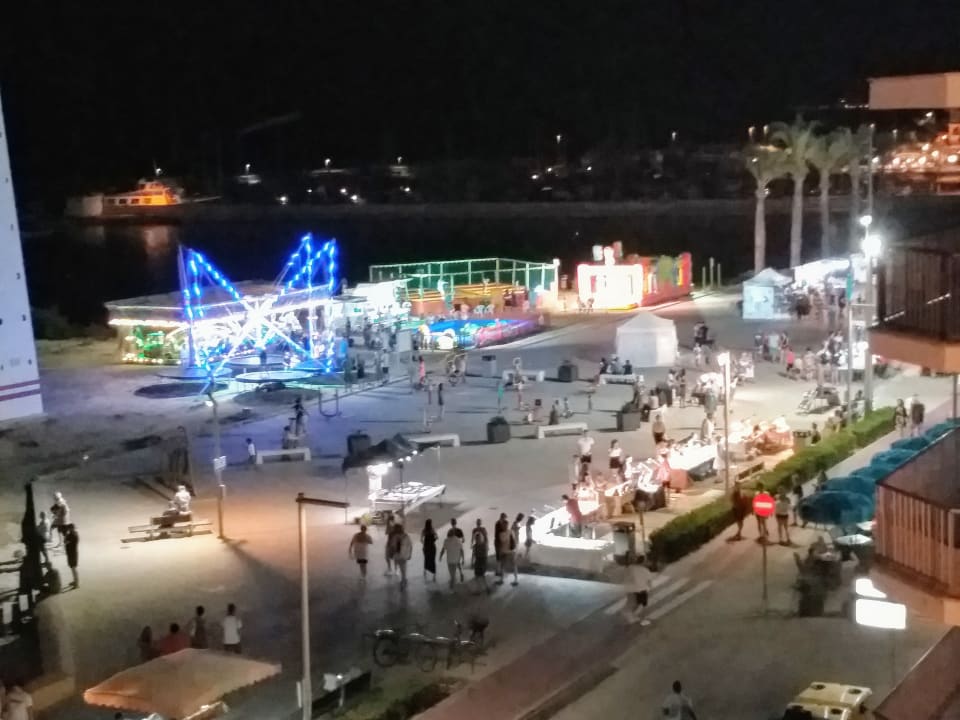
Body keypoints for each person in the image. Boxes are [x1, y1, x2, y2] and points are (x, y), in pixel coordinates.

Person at [624, 561, 654, 626]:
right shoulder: (645, 570)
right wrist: (650, 589)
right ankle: (642, 620)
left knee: (634, 603)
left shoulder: (631, 567)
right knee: (643, 605)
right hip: (642, 590)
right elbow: (649, 581)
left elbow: (627, 577)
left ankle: (632, 616)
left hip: (632, 589)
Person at [471, 519, 489, 592]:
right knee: (481, 575)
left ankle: (481, 589)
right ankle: (485, 588)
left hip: (480, 560)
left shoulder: (481, 530)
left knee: (479, 575)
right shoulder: (476, 530)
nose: (478, 523)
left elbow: (486, 538)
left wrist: (472, 561)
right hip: (481, 559)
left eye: (479, 522)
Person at [493, 513, 509, 580]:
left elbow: (505, 530)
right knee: (499, 557)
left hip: (502, 541)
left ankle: (500, 571)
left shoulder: (503, 522)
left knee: (502, 557)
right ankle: (498, 571)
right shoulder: (498, 523)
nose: (504, 519)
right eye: (504, 517)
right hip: (498, 541)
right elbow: (498, 532)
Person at [63, 524, 79, 588]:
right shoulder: (75, 534)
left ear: (71, 528)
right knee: (73, 568)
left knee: (73, 568)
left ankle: (76, 583)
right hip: (73, 553)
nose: (68, 529)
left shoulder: (72, 535)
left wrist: (66, 536)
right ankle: (75, 581)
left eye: (69, 528)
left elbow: (65, 542)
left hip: (72, 553)